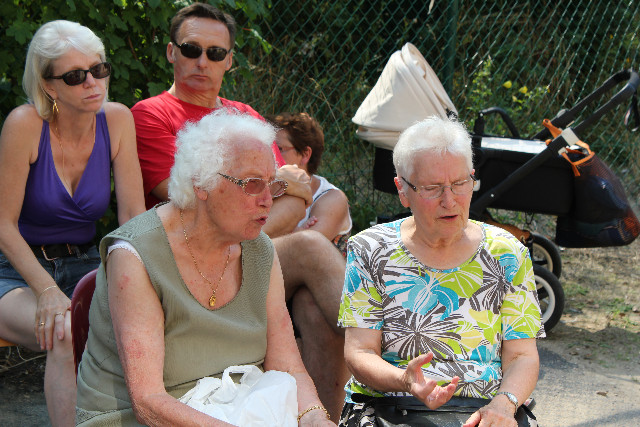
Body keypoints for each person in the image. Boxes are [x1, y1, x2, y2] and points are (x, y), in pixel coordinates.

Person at [131, 3, 348, 419]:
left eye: (215, 53)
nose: (202, 61)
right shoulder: (151, 115)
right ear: (171, 52)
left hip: (250, 254)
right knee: (308, 246)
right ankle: (385, 344)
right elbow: (193, 205)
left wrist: (264, 206)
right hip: (189, 258)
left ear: (229, 60)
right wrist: (288, 196)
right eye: (191, 49)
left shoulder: (244, 116)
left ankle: (325, 418)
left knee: (311, 306)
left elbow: (277, 197)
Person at [76, 110, 335, 427]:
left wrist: (315, 417)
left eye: (273, 184)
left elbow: (289, 367)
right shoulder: (136, 256)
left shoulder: (258, 249)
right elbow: (147, 402)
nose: (268, 200)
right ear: (201, 183)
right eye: (253, 184)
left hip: (242, 407)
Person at [338, 116, 544, 427]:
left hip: (484, 407)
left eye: (460, 183)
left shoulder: (507, 253)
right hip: (390, 405)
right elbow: (360, 353)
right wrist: (406, 380)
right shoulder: (370, 249)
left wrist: (504, 405)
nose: (450, 201)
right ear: (402, 190)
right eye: (432, 188)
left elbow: (522, 356)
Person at [0, 20, 145, 426]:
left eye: (99, 69)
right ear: (49, 86)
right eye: (76, 76)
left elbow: (132, 217)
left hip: (85, 264)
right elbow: (3, 224)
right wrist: (45, 289)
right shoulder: (25, 125)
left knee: (146, 320)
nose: (93, 83)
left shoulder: (117, 120)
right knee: (63, 332)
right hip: (15, 272)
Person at [267, 112, 352, 255]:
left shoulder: (332, 198)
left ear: (305, 154)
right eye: (268, 147)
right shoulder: (269, 188)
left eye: (279, 149)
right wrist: (295, 234)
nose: (271, 154)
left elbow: (303, 251)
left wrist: (291, 234)